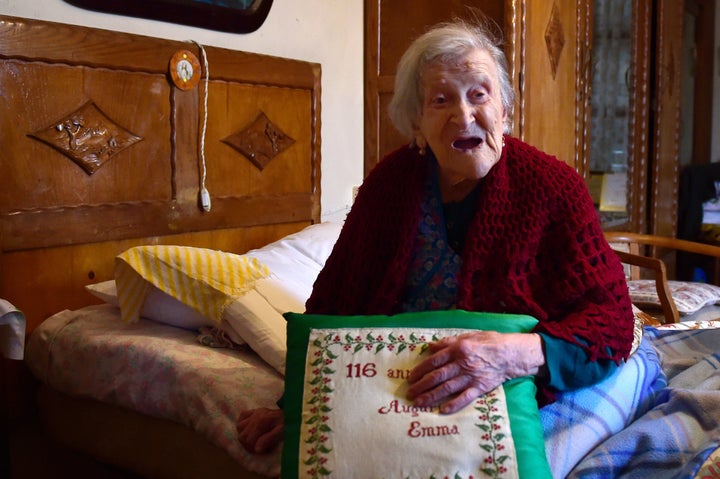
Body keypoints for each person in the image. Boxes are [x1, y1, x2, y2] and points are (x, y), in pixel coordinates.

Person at [236, 18, 635, 455]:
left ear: (504, 110)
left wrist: (515, 355)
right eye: (440, 100)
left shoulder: (553, 187)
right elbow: (335, 306)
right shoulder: (390, 184)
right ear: (417, 124)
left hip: (513, 379)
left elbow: (611, 321)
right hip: (396, 382)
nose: (463, 115)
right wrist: (300, 404)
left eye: (479, 95)